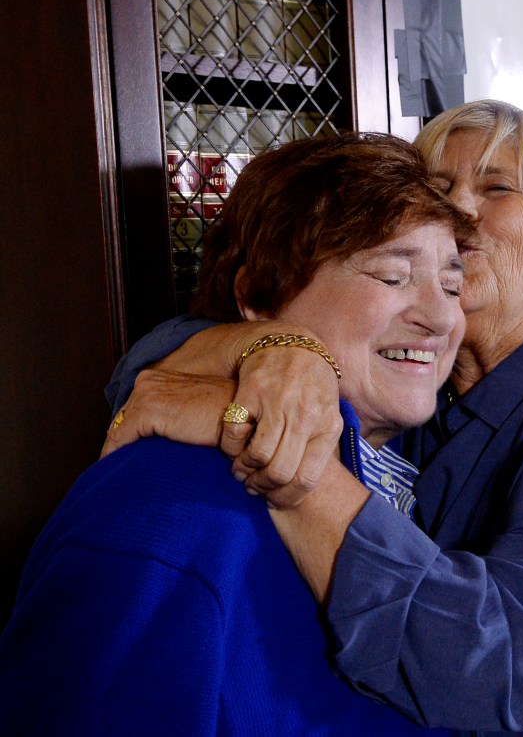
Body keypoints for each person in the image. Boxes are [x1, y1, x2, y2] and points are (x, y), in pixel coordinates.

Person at [105, 100, 523, 735]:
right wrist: (279, 350)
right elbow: (151, 362)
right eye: (440, 187)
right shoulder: (412, 392)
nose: (460, 207)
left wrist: (279, 449)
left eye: (498, 186)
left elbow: (505, 665)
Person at [0, 133, 473, 735]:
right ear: (257, 297)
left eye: (453, 285)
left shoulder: (442, 466)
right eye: (391, 276)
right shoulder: (166, 516)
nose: (440, 318)